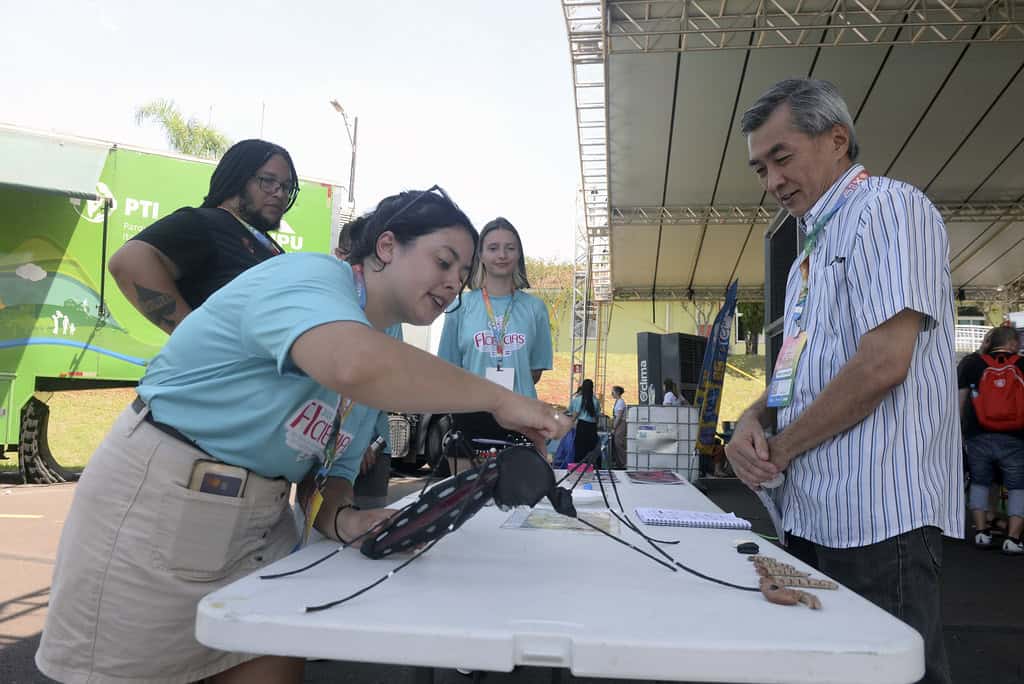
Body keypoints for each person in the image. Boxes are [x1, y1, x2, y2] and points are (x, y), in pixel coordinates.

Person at [35, 187, 570, 684]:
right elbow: (351, 365)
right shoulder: (310, 280)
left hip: (263, 532)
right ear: (386, 246)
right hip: (160, 513)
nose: (455, 282)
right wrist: (502, 399)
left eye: (463, 272)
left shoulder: (384, 341)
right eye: (443, 261)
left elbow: (329, 471)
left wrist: (344, 517)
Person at [725, 79, 962, 684]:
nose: (773, 182)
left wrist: (783, 446)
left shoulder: (886, 207)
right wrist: (755, 420)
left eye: (782, 157)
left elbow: (884, 362)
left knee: (889, 674)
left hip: (881, 517)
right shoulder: (807, 249)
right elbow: (796, 372)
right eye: (760, 169)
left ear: (837, 140)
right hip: (813, 514)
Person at [108, 139, 296, 334]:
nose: (279, 193)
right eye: (268, 181)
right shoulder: (207, 223)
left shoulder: (264, 242)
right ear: (238, 178)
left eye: (286, 186)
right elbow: (128, 261)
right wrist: (191, 337)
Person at [438, 217, 553, 441]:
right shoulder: (460, 305)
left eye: (510, 248)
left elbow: (534, 372)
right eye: (493, 248)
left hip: (523, 420)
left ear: (518, 255)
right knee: (471, 478)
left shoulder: (535, 308)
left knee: (519, 477)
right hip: (471, 416)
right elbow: (449, 368)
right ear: (480, 255)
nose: (502, 255)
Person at [957, 324, 1024, 554]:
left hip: (978, 436)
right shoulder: (1022, 364)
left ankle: (982, 533)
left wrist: (960, 431)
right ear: (1013, 343)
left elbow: (961, 401)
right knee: (1017, 487)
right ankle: (1013, 539)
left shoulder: (973, 364)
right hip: (1015, 437)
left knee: (979, 482)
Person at [569, 379, 601, 464]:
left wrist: (569, 425)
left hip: (582, 426)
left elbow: (574, 415)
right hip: (592, 427)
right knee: (591, 448)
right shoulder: (596, 401)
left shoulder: (577, 400)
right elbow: (597, 417)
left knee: (580, 449)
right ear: (592, 388)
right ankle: (593, 467)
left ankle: (579, 468)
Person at [611, 385, 628, 469]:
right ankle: (619, 462)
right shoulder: (618, 401)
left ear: (617, 392)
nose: (612, 393)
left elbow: (619, 416)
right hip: (618, 424)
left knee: (619, 444)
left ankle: (623, 463)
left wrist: (614, 426)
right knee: (616, 444)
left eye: (613, 392)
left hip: (620, 424)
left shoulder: (621, 402)